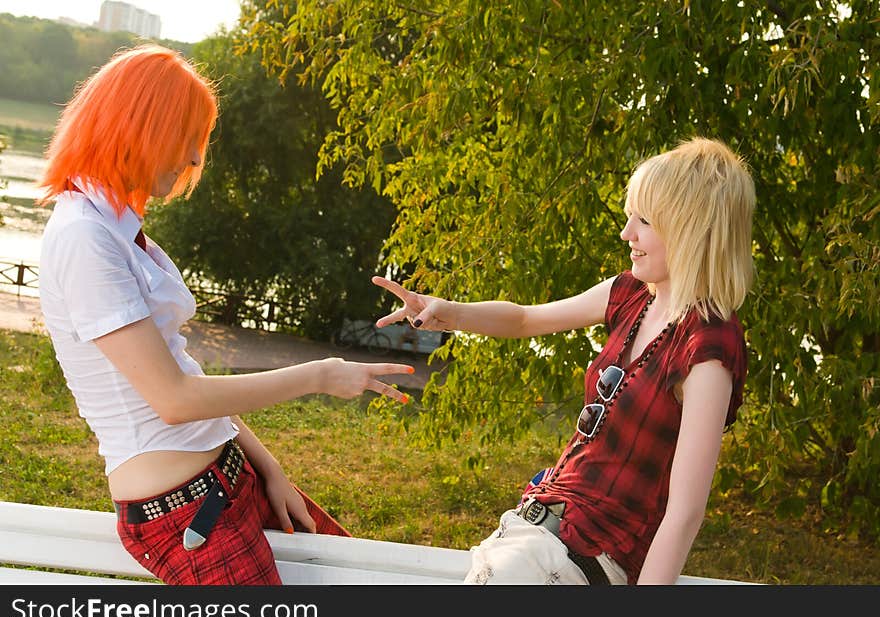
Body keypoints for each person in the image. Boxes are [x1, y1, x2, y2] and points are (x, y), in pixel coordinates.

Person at [36, 44, 413, 585]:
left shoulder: (114, 228)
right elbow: (173, 400)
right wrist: (320, 375)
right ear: (140, 128)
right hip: (186, 515)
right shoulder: (84, 238)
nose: (194, 158)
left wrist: (267, 467)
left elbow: (183, 372)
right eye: (187, 137)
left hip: (228, 480)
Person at [373, 137, 754, 585]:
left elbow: (686, 513)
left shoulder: (708, 346)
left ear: (690, 228)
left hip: (590, 557)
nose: (626, 232)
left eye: (644, 221)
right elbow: (524, 319)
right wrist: (448, 311)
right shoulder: (631, 294)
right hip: (534, 531)